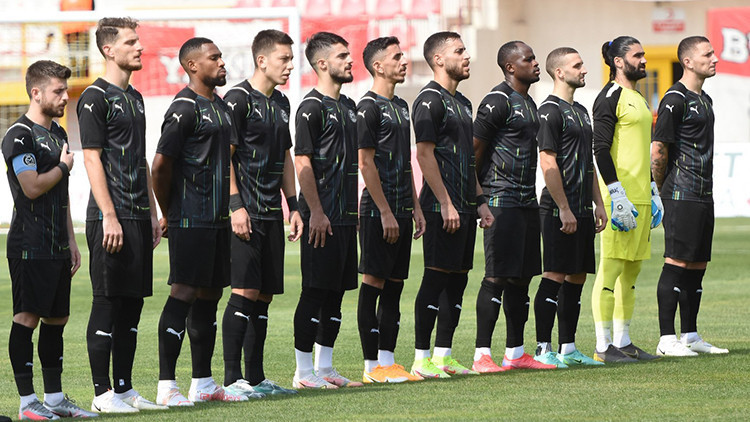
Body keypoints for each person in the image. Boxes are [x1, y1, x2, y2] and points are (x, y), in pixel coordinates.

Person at [152, 37, 246, 405]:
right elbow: (161, 165)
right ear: (192, 65)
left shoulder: (220, 107)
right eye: (214, 57)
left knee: (210, 295)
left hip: (217, 219)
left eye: (221, 56)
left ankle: (203, 383)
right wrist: (169, 212)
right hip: (190, 219)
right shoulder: (184, 107)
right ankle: (166, 386)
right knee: (184, 293)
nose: (222, 62)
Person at [78, 17, 166, 413]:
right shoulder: (95, 97)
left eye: (138, 41)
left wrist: (152, 211)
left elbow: (140, 158)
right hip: (109, 216)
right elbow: (91, 158)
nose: (139, 48)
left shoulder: (136, 97)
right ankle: (101, 395)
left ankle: (125, 389)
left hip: (138, 214)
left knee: (132, 304)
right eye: (130, 42)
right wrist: (109, 215)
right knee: (107, 302)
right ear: (108, 49)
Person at [2, 60, 97, 419]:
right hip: (30, 244)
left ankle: (54, 399)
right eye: (58, 91)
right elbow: (31, 187)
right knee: (27, 318)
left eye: (65, 90)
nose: (65, 97)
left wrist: (71, 240)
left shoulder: (58, 134)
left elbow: (61, 192)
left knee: (57, 320)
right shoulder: (19, 136)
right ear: (36, 92)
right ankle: (27, 402)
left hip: (57, 243)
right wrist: (62, 167)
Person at [220, 29, 301, 396]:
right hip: (246, 212)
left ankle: (255, 378)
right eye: (284, 58)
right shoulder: (237, 100)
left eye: (291, 58)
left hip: (271, 213)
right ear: (262, 60)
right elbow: (225, 157)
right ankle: (231, 379)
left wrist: (293, 206)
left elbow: (285, 155)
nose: (290, 65)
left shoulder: (281, 102)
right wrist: (235, 205)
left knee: (264, 295)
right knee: (245, 291)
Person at [409, 31, 494, 379]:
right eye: (459, 51)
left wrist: (480, 200)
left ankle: (443, 356)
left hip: (465, 206)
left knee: (458, 281)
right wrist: (445, 203)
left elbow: (468, 161)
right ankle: (420, 358)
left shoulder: (463, 103)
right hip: (439, 207)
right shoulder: (429, 100)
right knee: (435, 279)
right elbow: (424, 154)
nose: (466, 56)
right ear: (439, 60)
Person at [471, 41, 554, 372]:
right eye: (528, 59)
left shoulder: (529, 103)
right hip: (500, 200)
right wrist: (479, 199)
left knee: (522, 279)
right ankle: (481, 355)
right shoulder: (497, 101)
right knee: (497, 277)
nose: (535, 63)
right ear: (510, 67)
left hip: (526, 201)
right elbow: (474, 152)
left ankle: (515, 353)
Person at [291, 31, 362, 389]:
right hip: (322, 217)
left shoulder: (349, 106)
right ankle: (304, 373)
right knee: (315, 290)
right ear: (322, 64)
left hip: (346, 217)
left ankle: (326, 367)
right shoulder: (311, 107)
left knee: (336, 293)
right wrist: (315, 212)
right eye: (342, 56)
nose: (350, 61)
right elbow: (301, 160)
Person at [652, 36, 728, 356]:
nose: (714, 58)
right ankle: (666, 339)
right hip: (680, 193)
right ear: (687, 62)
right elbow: (659, 149)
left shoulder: (704, 99)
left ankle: (690, 335)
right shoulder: (675, 98)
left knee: (697, 265)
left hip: (703, 193)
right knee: (676, 262)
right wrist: (660, 191)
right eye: (707, 54)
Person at [532, 47, 607, 367]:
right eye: (577, 65)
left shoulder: (581, 111)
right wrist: (563, 208)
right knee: (554, 274)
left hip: (583, 208)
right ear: (560, 72)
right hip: (557, 209)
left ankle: (569, 348)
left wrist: (598, 203)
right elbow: (547, 161)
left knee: (577, 276)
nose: (584, 69)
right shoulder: (549, 111)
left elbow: (588, 161)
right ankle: (542, 349)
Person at [356, 36, 425, 383]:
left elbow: (405, 162)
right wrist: (384, 211)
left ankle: (388, 361)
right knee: (374, 283)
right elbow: (365, 163)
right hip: (376, 211)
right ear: (378, 66)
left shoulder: (401, 106)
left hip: (401, 208)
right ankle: (371, 366)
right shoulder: (367, 107)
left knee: (395, 286)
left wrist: (415, 206)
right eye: (396, 57)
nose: (403, 61)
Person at [591, 36, 662, 363]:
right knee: (611, 269)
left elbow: (641, 151)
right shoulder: (609, 97)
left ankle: (623, 341)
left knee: (632, 272)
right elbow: (600, 149)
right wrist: (616, 192)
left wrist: (653, 189)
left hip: (641, 199)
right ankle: (603, 346)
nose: (644, 60)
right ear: (618, 61)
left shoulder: (639, 98)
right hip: (618, 198)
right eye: (637, 55)